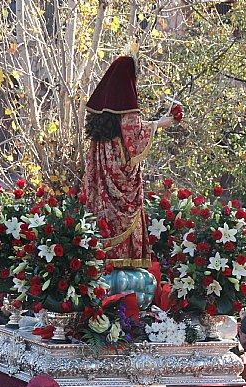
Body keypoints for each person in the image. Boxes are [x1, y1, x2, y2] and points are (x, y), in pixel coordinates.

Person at [84, 55, 176, 269]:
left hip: (102, 176)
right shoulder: (127, 108)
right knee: (127, 218)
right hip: (122, 178)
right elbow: (134, 141)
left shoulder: (99, 113)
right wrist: (159, 124)